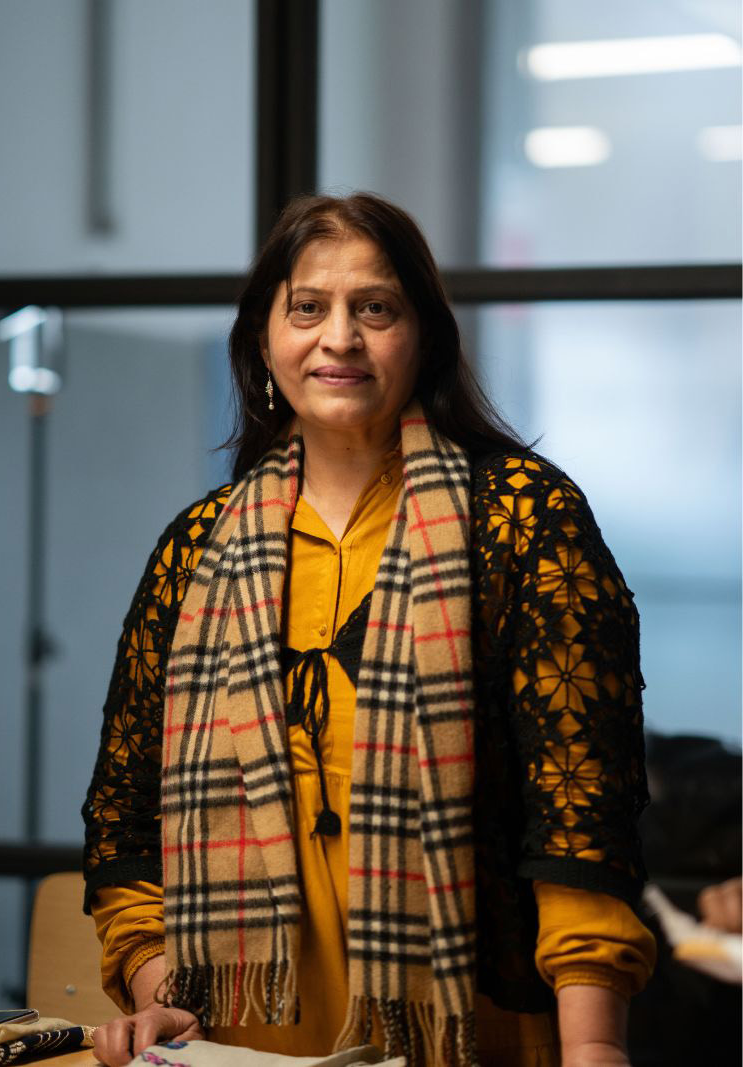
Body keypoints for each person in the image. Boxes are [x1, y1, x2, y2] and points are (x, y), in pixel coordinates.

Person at [82, 193, 654, 1067]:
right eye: (307, 307)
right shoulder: (197, 548)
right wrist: (161, 995)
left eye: (374, 308)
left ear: (421, 337)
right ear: (264, 340)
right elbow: (126, 814)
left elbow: (581, 808)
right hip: (237, 1044)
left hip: (471, 1037)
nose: (339, 337)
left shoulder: (523, 520)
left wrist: (596, 1047)